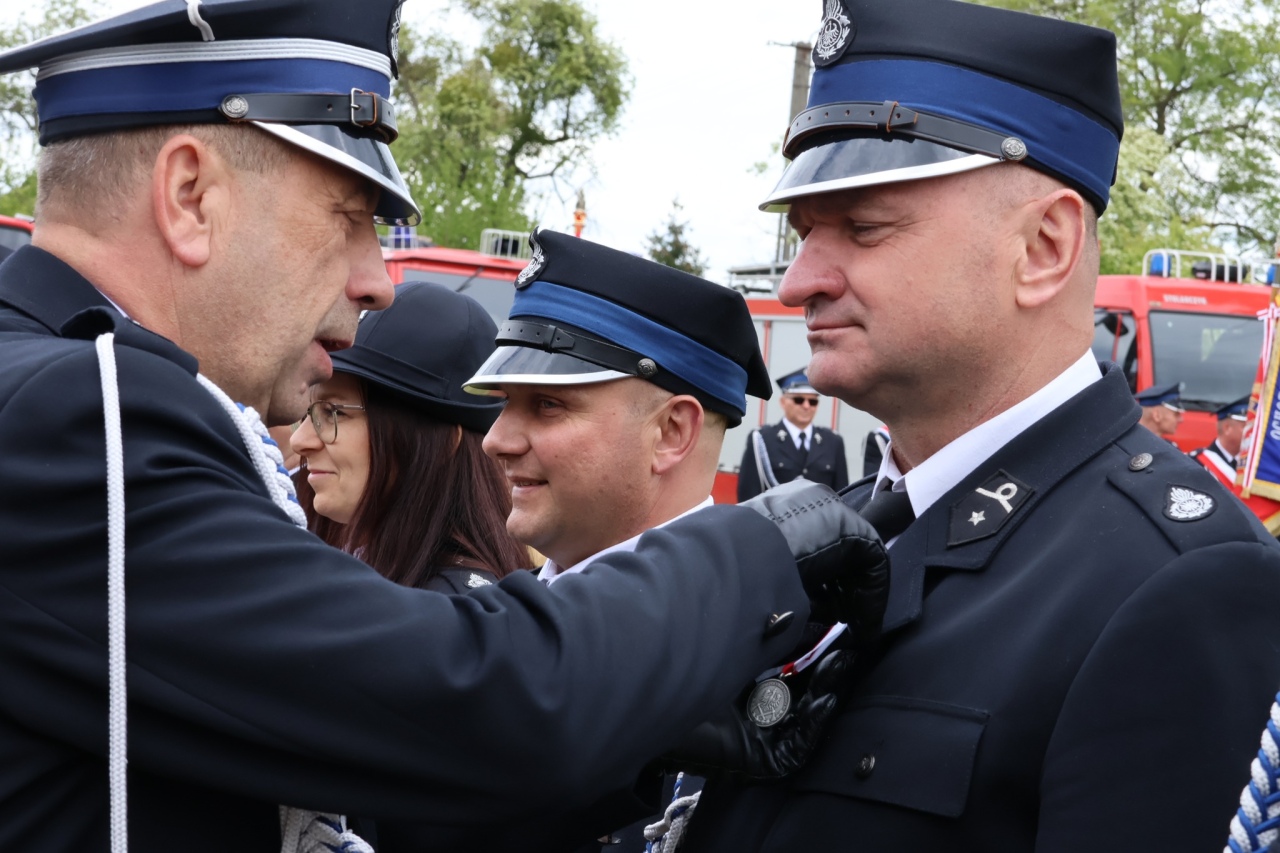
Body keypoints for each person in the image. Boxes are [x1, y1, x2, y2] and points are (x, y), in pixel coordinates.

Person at [0, 1, 890, 850]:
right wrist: (751, 551)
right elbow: (470, 698)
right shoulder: (79, 414)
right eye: (350, 220)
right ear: (191, 195)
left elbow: (330, 768)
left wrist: (655, 738)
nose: (376, 278)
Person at [680, 1, 1280, 851]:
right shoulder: (843, 528)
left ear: (1043, 248)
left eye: (863, 226)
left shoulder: (1181, 583)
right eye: (807, 232)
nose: (798, 281)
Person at [463, 229, 775, 851]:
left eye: (546, 405)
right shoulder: (506, 618)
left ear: (671, 432)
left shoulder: (764, 647)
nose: (496, 439)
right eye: (503, 405)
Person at [290, 280, 532, 593]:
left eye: (334, 412)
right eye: (310, 412)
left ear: (445, 443)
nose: (301, 441)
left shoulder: (451, 614)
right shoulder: (381, 573)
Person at [736, 368, 849, 501]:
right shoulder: (763, 439)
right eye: (798, 400)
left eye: (813, 401)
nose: (806, 406)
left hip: (821, 520)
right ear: (783, 402)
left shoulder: (833, 442)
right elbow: (749, 493)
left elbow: (843, 495)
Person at [1190, 395, 1248, 486]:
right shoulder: (1198, 463)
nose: (1251, 432)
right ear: (1227, 428)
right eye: (1245, 427)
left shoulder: (1252, 465)